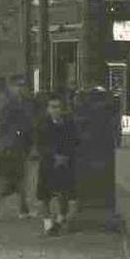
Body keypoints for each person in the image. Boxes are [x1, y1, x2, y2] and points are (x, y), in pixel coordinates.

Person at [0, 78, 34, 220]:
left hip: (9, 147)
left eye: (22, 86)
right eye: (18, 86)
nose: (21, 89)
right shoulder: (14, 105)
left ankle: (21, 209)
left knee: (14, 180)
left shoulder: (13, 103)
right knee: (13, 179)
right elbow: (22, 126)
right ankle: (4, 209)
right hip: (13, 147)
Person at [34, 92, 78, 235]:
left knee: (64, 193)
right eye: (53, 107)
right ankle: (47, 223)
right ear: (48, 109)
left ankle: (60, 219)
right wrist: (53, 156)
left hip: (65, 162)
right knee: (43, 195)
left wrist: (65, 156)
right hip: (48, 163)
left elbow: (74, 141)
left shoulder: (69, 123)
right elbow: (40, 144)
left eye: (58, 107)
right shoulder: (42, 124)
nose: (56, 110)